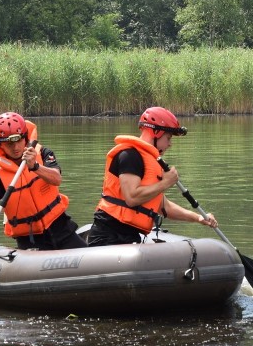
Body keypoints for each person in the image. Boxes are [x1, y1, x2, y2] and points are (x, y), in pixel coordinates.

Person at [87, 106, 218, 247]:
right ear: (156, 132)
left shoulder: (150, 161)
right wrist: (165, 183)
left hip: (128, 236)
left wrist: (198, 218)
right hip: (107, 236)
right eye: (168, 138)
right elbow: (132, 198)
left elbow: (164, 207)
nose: (170, 144)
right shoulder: (129, 156)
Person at [0, 112, 86, 250]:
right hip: (31, 240)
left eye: (18, 141)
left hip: (61, 228)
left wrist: (35, 167)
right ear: (0, 145)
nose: (15, 148)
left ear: (25, 137)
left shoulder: (44, 154)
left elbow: (56, 179)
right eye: (9, 144)